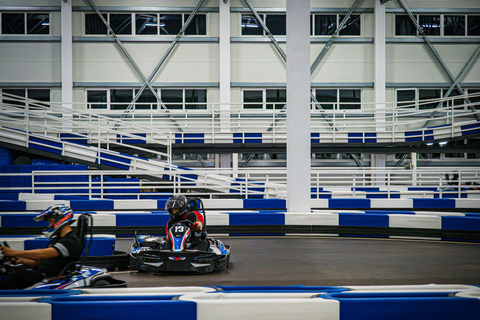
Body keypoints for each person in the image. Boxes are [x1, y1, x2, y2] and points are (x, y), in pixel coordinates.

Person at [0, 204, 83, 290]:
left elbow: (43, 254)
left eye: (51, 221)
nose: (49, 226)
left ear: (60, 219)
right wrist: (21, 260)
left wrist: (15, 252)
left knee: (20, 275)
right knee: (11, 270)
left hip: (52, 277)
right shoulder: (58, 239)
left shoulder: (70, 241)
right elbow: (37, 264)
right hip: (42, 273)